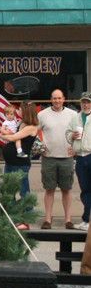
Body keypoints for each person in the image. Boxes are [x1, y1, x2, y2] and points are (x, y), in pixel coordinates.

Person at [37, 89, 77, 229]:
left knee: (67, 189)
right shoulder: (42, 115)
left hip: (67, 157)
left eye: (59, 98)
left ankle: (68, 220)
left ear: (64, 99)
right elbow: (34, 132)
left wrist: (76, 148)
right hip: (49, 158)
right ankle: (48, 219)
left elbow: (78, 133)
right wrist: (40, 147)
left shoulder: (73, 115)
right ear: (51, 99)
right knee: (49, 189)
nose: (57, 101)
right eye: (54, 98)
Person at [1, 101, 39, 230]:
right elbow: (10, 133)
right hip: (10, 163)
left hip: (21, 164)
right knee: (8, 191)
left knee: (23, 192)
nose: (18, 111)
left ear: (27, 111)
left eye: (20, 109)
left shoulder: (32, 127)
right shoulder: (20, 123)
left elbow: (13, 137)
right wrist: (5, 133)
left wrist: (3, 135)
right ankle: (13, 219)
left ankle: (26, 220)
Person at [66, 91, 91, 231]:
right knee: (85, 190)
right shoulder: (76, 117)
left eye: (88, 102)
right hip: (80, 157)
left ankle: (87, 219)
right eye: (84, 102)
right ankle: (87, 220)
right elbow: (67, 133)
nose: (86, 104)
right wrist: (72, 136)